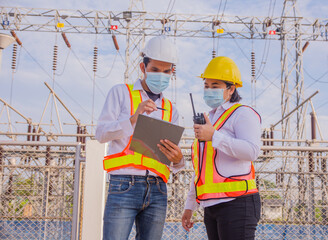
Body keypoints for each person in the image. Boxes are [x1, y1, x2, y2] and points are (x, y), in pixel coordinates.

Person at [96, 35, 184, 240]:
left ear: (172, 72)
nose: (161, 75)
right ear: (143, 68)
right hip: (123, 184)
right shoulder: (120, 93)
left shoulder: (172, 110)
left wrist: (179, 160)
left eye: (166, 71)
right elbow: (101, 134)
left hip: (158, 189)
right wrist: (133, 119)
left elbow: (172, 160)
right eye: (155, 69)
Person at [181, 56, 262, 240]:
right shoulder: (209, 119)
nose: (209, 90)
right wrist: (189, 206)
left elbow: (252, 151)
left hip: (237, 203)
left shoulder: (243, 114)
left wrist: (214, 136)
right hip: (211, 206)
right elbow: (201, 168)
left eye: (215, 86)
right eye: (206, 86)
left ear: (231, 88)